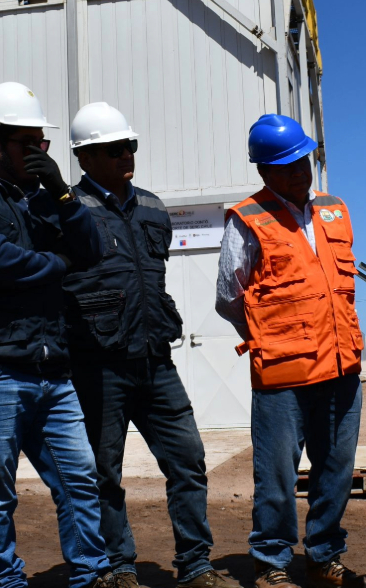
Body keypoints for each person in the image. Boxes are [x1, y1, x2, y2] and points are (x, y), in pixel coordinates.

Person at [0, 81, 114, 588]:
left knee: (79, 478)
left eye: (43, 144)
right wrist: (58, 263)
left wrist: (63, 193)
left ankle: (91, 574)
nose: (40, 153)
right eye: (29, 144)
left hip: (49, 364)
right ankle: (5, 580)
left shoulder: (39, 197)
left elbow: (92, 250)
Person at [64, 102, 238, 588]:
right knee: (103, 473)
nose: (126, 154)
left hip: (156, 361)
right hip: (98, 366)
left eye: (130, 145)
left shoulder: (154, 207)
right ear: (84, 158)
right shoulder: (69, 210)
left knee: (189, 460)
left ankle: (196, 565)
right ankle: (119, 567)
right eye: (113, 149)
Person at [215, 114, 366, 588]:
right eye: (286, 166)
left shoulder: (335, 210)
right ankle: (271, 563)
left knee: (336, 471)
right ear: (264, 171)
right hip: (283, 376)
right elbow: (228, 297)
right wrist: (272, 337)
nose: (299, 172)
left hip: (342, 368)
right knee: (278, 477)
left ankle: (324, 558)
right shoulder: (248, 218)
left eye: (302, 161)